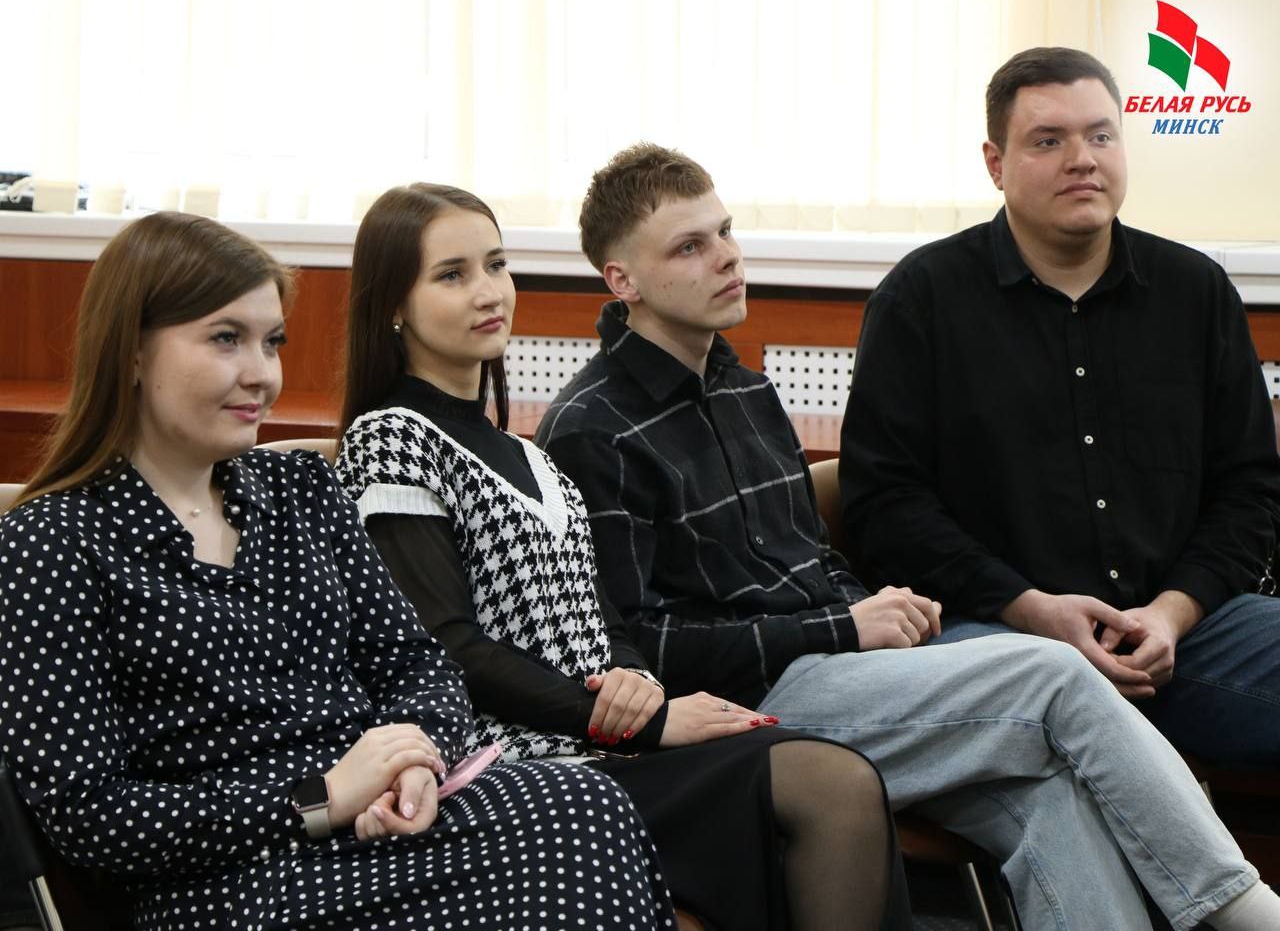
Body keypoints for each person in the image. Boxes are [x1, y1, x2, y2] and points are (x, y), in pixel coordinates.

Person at [536, 141, 1280, 931]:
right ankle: (1244, 912)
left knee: (1051, 796)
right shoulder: (592, 430)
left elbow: (809, 562)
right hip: (744, 706)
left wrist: (884, 614)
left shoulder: (744, 389)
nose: (726, 257)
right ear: (622, 280)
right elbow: (634, 650)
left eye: (724, 232)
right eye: (689, 247)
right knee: (1053, 674)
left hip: (841, 675)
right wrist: (845, 628)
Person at [0, 211, 675, 930]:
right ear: (131, 352)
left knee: (586, 805)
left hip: (375, 827)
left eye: (272, 342)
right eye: (226, 339)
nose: (261, 374)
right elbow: (89, 816)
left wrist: (413, 764)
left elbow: (418, 664)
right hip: (233, 882)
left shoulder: (301, 489)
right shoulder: (49, 543)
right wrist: (318, 797)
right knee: (577, 830)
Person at [332, 182, 913, 931]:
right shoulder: (390, 439)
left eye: (496, 264)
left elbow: (604, 619)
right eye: (452, 274)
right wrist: (636, 722)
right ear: (394, 306)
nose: (488, 291)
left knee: (831, 776)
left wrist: (639, 681)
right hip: (520, 765)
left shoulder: (527, 453)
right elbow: (446, 646)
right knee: (827, 781)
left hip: (603, 746)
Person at [839, 47, 1280, 770]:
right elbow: (884, 506)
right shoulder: (921, 300)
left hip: (1186, 636)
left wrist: (1171, 613)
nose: (1083, 159)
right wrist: (1031, 608)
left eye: (1101, 135)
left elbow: (1249, 490)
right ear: (996, 163)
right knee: (1044, 701)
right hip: (999, 637)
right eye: (1048, 141)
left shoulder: (1196, 293)